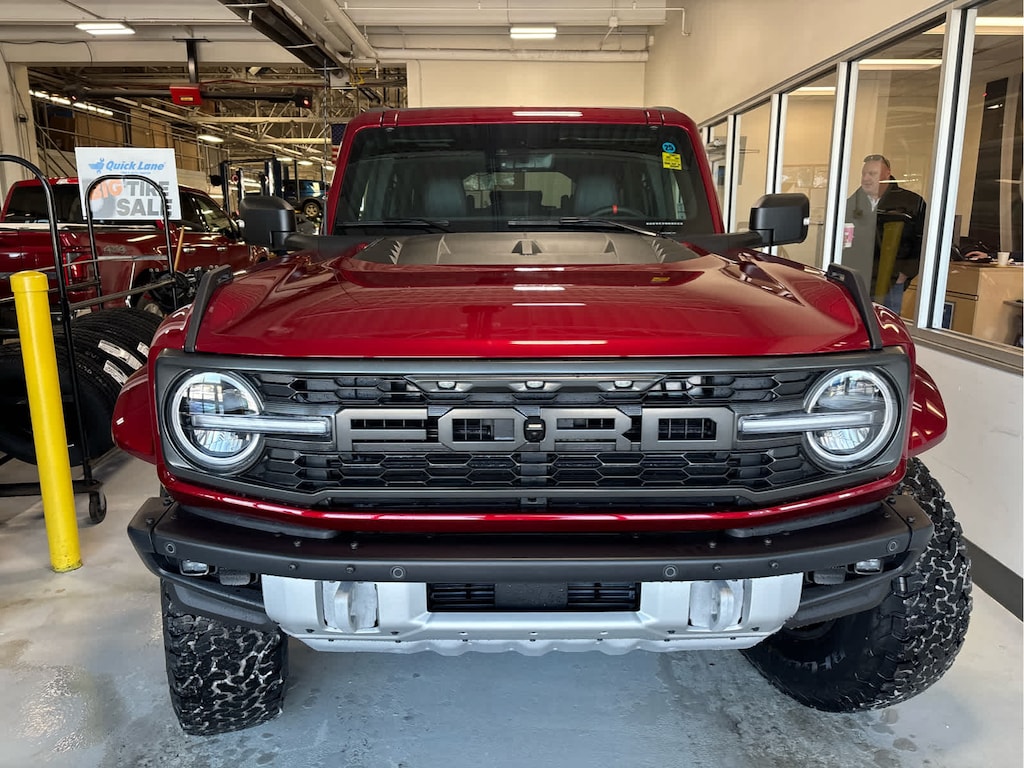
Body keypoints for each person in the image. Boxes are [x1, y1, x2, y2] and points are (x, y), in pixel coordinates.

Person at [843, 154, 926, 313]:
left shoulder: (911, 203)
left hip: (891, 282)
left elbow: (924, 241)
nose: (866, 178)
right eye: (864, 174)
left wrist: (905, 273)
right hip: (856, 281)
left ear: (887, 174)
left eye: (872, 174)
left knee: (886, 324)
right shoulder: (850, 204)